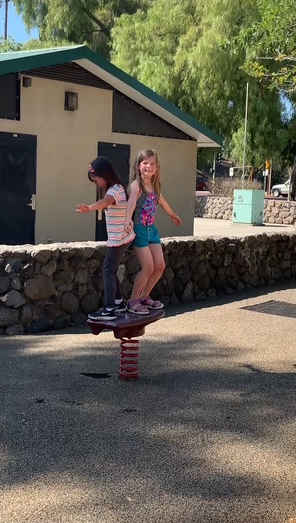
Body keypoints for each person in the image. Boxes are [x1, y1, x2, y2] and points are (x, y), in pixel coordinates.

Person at [76, 156, 135, 320]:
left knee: (108, 270)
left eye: (97, 180)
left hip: (119, 238)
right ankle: (118, 303)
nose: (97, 184)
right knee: (111, 269)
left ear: (105, 175)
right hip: (122, 237)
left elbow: (105, 202)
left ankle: (109, 308)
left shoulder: (114, 190)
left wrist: (89, 208)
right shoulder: (118, 188)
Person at [124, 149, 182, 315]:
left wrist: (172, 215)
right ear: (138, 165)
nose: (148, 167)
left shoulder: (155, 186)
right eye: (145, 163)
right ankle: (133, 300)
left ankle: (144, 296)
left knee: (160, 265)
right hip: (140, 230)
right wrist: (128, 219)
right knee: (148, 267)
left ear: (156, 168)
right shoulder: (137, 185)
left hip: (152, 230)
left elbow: (162, 201)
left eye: (152, 164)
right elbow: (131, 203)